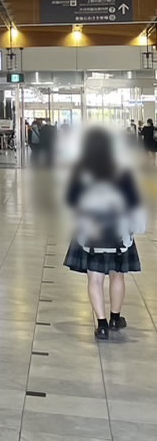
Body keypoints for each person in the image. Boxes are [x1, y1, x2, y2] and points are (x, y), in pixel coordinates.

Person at [63, 127, 144, 340]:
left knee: (95, 278)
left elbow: (72, 200)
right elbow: (133, 201)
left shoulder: (81, 170)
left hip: (91, 232)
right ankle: (116, 317)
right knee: (118, 276)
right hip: (119, 232)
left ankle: (101, 325)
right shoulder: (122, 169)